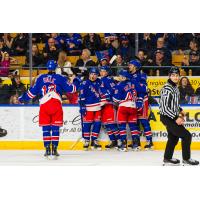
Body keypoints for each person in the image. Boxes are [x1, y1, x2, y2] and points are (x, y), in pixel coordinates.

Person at [18, 60, 78, 159]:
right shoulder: (60, 78)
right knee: (55, 128)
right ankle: (54, 149)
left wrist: (21, 98)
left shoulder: (41, 78)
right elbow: (72, 89)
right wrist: (76, 80)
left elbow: (32, 93)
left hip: (44, 105)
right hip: (56, 104)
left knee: (46, 129)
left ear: (47, 67)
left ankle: (47, 150)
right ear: (56, 68)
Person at [159, 66, 199, 165]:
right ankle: (186, 159)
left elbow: (173, 104)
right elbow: (164, 107)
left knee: (173, 138)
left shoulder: (175, 87)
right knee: (187, 136)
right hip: (167, 117)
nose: (175, 77)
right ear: (169, 76)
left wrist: (180, 110)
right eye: (173, 75)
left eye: (177, 75)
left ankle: (167, 158)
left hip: (171, 116)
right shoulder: (167, 88)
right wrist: (176, 118)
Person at [113, 70, 143, 152]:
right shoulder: (134, 83)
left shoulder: (119, 84)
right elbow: (143, 91)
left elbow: (116, 99)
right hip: (133, 106)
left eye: (120, 76)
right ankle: (136, 145)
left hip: (123, 106)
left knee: (122, 126)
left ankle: (123, 145)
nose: (119, 77)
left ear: (123, 77)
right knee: (133, 127)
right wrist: (140, 101)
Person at [79, 67, 109, 150]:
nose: (93, 76)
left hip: (98, 106)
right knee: (87, 125)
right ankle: (86, 140)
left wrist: (104, 100)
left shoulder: (99, 82)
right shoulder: (84, 83)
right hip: (88, 107)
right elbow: (81, 96)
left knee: (97, 124)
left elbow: (103, 92)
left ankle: (94, 140)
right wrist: (82, 107)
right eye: (92, 74)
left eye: (95, 74)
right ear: (89, 74)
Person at [128, 60, 154, 150]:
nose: (129, 66)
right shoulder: (129, 76)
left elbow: (143, 88)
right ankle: (136, 142)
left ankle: (150, 142)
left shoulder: (142, 75)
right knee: (134, 122)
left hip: (142, 100)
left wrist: (140, 99)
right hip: (132, 101)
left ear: (135, 66)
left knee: (143, 121)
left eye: (130, 65)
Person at [99, 66, 120, 149]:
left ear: (107, 72)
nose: (101, 72)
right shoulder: (100, 80)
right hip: (103, 105)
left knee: (112, 124)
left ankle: (119, 140)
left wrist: (107, 97)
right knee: (106, 124)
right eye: (101, 71)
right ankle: (113, 141)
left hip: (110, 104)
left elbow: (113, 90)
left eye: (103, 71)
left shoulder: (108, 80)